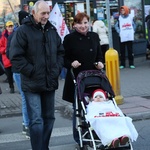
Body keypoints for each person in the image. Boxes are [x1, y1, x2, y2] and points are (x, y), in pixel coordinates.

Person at [9, 1, 64, 150]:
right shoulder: (23, 31)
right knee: (36, 120)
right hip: (32, 84)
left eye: (48, 13)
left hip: (49, 82)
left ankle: (43, 147)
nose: (46, 16)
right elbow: (15, 56)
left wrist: (56, 69)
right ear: (34, 13)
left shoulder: (52, 30)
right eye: (43, 13)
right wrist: (32, 71)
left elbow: (60, 52)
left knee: (49, 119)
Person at [62, 12, 104, 144]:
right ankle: (79, 137)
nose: (83, 26)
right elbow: (63, 58)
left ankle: (98, 133)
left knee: (97, 107)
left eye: (85, 23)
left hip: (94, 78)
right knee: (79, 109)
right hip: (77, 79)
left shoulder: (94, 36)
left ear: (89, 23)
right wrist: (71, 63)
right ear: (74, 25)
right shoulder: (69, 39)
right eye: (80, 23)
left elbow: (99, 55)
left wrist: (101, 63)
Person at [6, 11, 29, 138]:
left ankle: (29, 123)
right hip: (19, 72)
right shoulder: (14, 35)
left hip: (25, 71)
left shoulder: (28, 33)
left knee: (29, 98)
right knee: (26, 97)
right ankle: (26, 124)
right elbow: (9, 54)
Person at [0, 21, 15, 93]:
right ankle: (11, 87)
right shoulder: (3, 37)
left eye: (11, 26)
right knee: (9, 75)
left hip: (14, 58)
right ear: (6, 27)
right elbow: (0, 47)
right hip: (6, 59)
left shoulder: (16, 34)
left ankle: (19, 87)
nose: (10, 28)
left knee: (17, 74)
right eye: (9, 26)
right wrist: (5, 50)